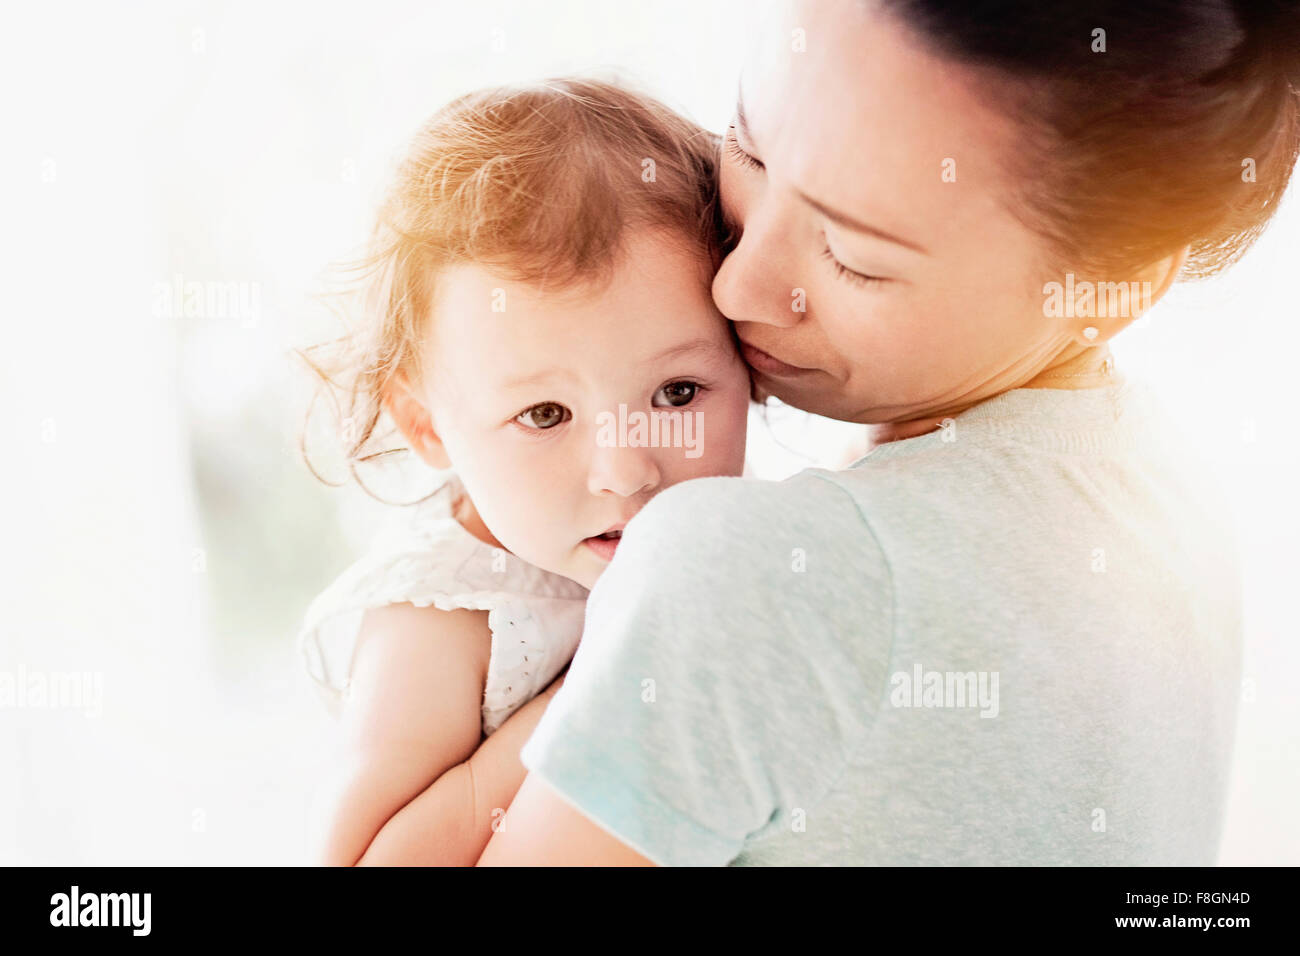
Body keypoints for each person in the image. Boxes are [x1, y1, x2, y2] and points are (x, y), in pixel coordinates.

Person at [476, 0, 1300, 865]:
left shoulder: (761, 573)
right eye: (749, 150)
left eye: (853, 257)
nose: (738, 287)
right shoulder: (1175, 502)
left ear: (1116, 282)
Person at [295, 79, 751, 865]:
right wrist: (585, 700)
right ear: (428, 427)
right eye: (545, 416)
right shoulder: (446, 614)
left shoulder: (729, 544)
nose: (624, 470)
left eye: (677, 394)